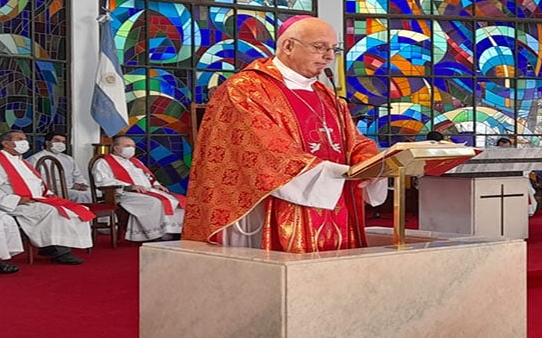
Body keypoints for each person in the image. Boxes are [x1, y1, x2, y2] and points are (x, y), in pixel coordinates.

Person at [183, 15, 387, 252]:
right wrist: (340, 173)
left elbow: (354, 140)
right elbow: (265, 151)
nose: (330, 57)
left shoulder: (326, 95)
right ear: (288, 46)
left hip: (337, 203)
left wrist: (369, 163)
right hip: (276, 204)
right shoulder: (246, 89)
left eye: (334, 49)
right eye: (320, 47)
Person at [0, 130, 93, 264]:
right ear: (6, 143)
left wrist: (48, 194)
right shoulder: (0, 162)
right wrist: (17, 200)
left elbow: (37, 182)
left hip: (36, 199)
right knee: (54, 212)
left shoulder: (23, 162)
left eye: (25, 138)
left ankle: (50, 246)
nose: (25, 142)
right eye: (20, 139)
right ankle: (61, 253)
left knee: (75, 209)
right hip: (16, 203)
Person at [92, 135, 185, 241]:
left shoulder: (135, 161)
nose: (131, 149)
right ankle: (154, 235)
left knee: (178, 200)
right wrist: (129, 186)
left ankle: (175, 232)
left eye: (133, 146)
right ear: (116, 148)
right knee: (155, 203)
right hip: (123, 193)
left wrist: (156, 183)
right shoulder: (103, 162)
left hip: (147, 190)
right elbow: (103, 181)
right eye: (127, 146)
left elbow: (148, 175)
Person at [27, 131, 93, 203]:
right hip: (53, 190)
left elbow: (77, 175)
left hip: (72, 188)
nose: (60, 143)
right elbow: (40, 180)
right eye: (57, 140)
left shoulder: (68, 158)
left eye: (63, 142)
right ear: (47, 142)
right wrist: (71, 186)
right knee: (81, 195)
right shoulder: (35, 159)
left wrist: (82, 185)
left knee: (95, 192)